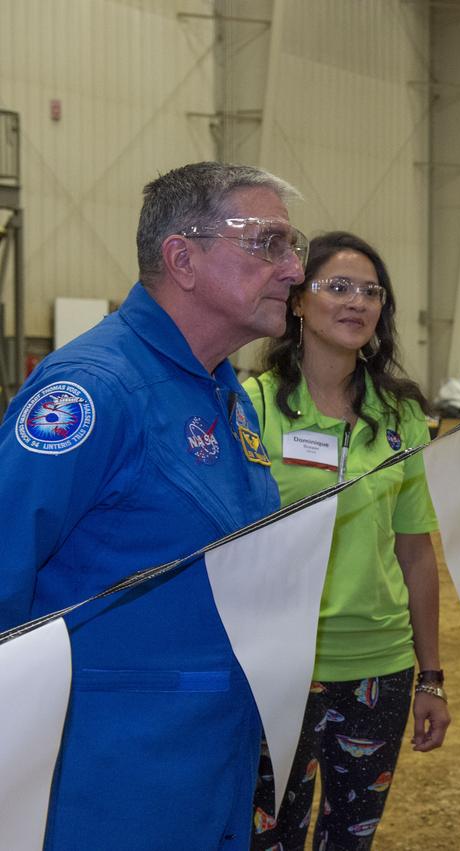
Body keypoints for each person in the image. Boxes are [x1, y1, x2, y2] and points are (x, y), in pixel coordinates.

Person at [0, 162, 306, 848]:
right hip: (106, 786)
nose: (292, 270)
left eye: (294, 247)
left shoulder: (216, 391)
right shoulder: (95, 391)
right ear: (183, 259)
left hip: (205, 775)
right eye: (269, 244)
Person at [243, 231, 449, 849]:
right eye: (337, 287)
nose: (357, 302)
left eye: (371, 291)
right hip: (279, 666)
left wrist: (431, 677)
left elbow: (415, 551)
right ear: (298, 301)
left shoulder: (401, 415)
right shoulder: (251, 408)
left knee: (350, 839)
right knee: (269, 839)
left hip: (379, 668)